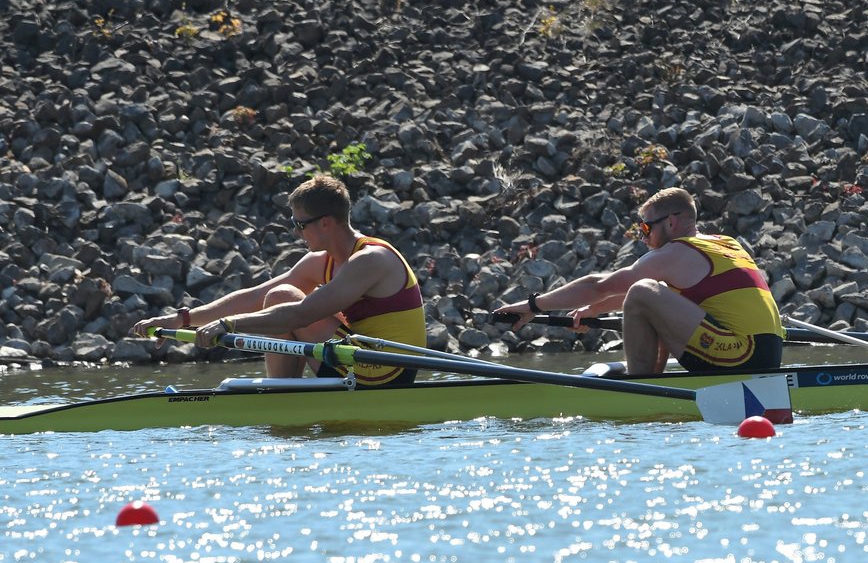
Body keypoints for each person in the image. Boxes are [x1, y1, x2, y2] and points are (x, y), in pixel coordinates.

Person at [130, 174, 426, 386]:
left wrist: (229, 325)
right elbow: (255, 296)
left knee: (284, 299)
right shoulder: (321, 262)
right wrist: (182, 320)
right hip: (359, 360)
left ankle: (280, 396)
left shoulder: (371, 259)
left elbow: (301, 314)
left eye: (300, 224)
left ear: (325, 223)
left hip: (384, 373)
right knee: (277, 295)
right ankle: (283, 394)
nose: (296, 233)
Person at [497, 187, 784, 375]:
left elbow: (601, 285)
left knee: (643, 290)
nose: (643, 237)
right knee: (650, 293)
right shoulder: (726, 242)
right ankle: (650, 377)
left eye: (645, 227)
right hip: (767, 354)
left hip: (742, 354)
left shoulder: (677, 251)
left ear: (671, 223)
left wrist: (534, 304)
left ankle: (640, 384)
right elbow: (659, 301)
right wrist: (594, 311)